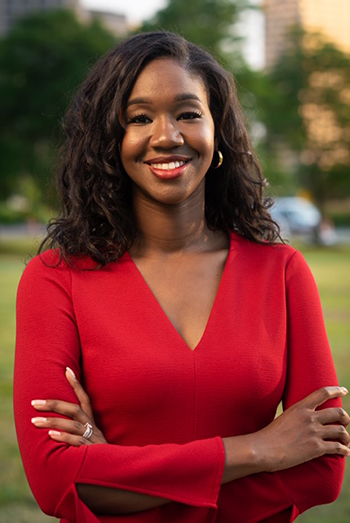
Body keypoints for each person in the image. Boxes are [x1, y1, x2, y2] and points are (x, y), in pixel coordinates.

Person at [14, 31, 349, 523]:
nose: (167, 135)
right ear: (111, 140)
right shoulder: (55, 280)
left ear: (219, 134)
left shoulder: (281, 272)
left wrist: (113, 472)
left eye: (188, 114)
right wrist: (259, 450)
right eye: (139, 118)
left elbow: (322, 472)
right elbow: (55, 482)